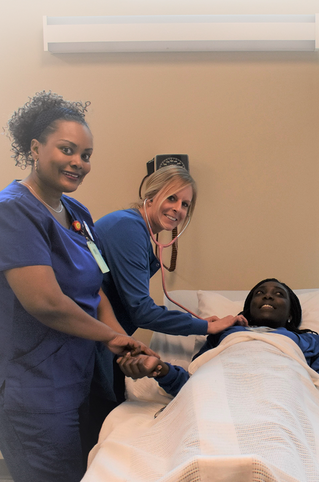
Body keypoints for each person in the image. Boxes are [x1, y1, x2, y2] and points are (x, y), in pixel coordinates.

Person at [0, 91, 152, 482]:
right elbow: (46, 303)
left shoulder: (77, 214)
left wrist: (121, 338)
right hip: (23, 382)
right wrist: (111, 337)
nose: (78, 162)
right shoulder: (11, 211)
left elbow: (97, 292)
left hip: (70, 374)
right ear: (34, 148)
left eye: (86, 154)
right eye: (66, 149)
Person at [85, 166, 246, 440]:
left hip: (104, 339)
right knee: (93, 427)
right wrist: (206, 328)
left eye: (185, 204)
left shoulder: (133, 229)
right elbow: (141, 311)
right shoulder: (127, 228)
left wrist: (202, 322)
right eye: (171, 198)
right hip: (90, 341)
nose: (178, 209)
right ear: (150, 196)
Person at [119, 278, 319, 420]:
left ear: (290, 314)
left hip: (281, 392)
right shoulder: (224, 336)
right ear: (247, 309)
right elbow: (195, 383)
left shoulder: (308, 341)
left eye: (278, 294)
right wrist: (161, 370)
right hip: (221, 394)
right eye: (259, 293)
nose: (267, 296)